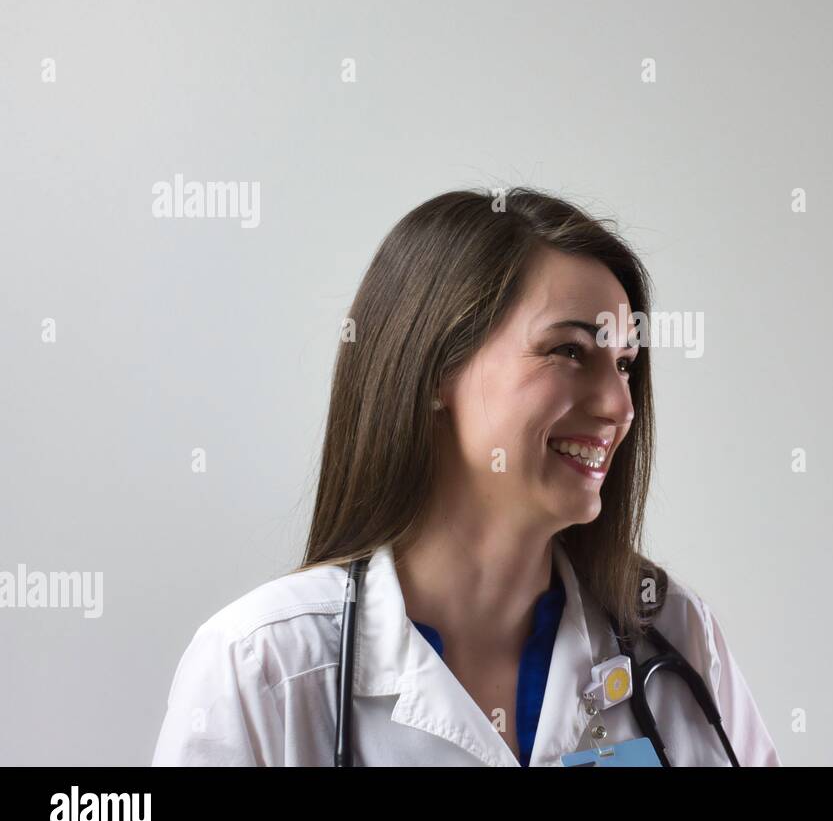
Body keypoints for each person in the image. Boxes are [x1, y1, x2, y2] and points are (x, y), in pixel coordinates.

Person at [151, 188, 782, 766]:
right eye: (569, 352)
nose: (620, 406)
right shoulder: (263, 665)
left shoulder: (673, 635)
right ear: (433, 374)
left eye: (623, 364)